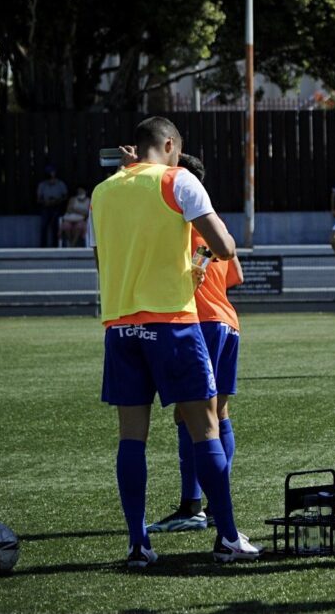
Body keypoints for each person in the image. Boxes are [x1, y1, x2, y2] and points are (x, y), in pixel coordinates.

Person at [90, 116, 258, 567]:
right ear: (168, 146)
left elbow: (100, 260)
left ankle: (138, 545)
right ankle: (226, 537)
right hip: (173, 323)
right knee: (205, 429)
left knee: (132, 439)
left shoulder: (102, 192)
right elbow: (224, 246)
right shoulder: (178, 179)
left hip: (120, 325)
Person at [147, 154, 245, 534]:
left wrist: (196, 263)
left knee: (188, 416)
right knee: (217, 414)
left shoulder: (182, 224)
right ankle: (215, 500)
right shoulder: (215, 222)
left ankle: (193, 504)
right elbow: (234, 273)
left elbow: (195, 270)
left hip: (200, 322)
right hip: (227, 322)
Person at [37, 165, 68, 247]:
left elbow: (65, 196)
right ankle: (43, 246)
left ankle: (55, 245)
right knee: (44, 226)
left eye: (53, 172)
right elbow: (38, 198)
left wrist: (57, 200)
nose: (52, 174)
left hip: (57, 207)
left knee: (55, 227)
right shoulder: (42, 185)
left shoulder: (60, 184)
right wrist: (45, 202)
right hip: (46, 207)